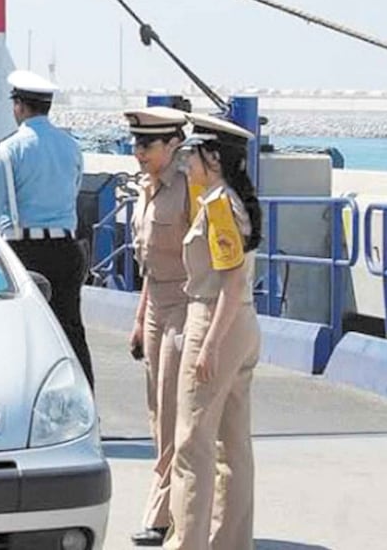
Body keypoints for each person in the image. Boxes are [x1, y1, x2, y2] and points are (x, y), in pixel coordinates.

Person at [167, 112, 261, 550]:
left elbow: (231, 281)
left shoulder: (220, 205)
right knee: (233, 445)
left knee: (193, 443)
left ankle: (187, 543)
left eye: (192, 154)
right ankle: (231, 541)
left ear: (214, 159)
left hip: (216, 319)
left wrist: (208, 346)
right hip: (243, 322)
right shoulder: (232, 200)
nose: (186, 163)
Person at [0, 70, 90, 386]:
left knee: (22, 333)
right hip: (67, 249)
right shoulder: (71, 147)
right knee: (71, 330)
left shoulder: (9, 150)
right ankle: (86, 400)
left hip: (26, 252)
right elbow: (75, 190)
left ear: (19, 107)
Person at [123, 107, 192, 547]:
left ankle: (163, 512)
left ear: (172, 145)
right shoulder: (148, 189)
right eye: (135, 144)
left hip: (186, 304)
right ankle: (170, 506)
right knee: (156, 411)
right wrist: (137, 320)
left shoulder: (190, 190)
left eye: (147, 145)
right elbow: (147, 266)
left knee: (173, 411)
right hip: (155, 307)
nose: (138, 152)